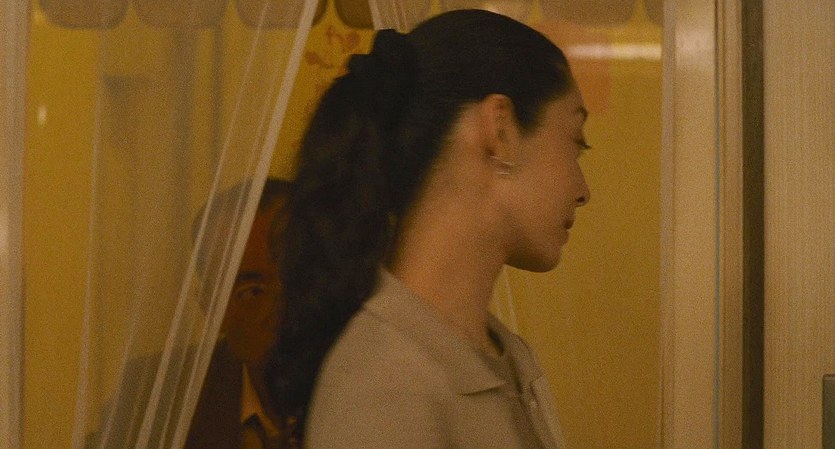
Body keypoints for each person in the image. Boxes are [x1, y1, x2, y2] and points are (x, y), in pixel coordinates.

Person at [267, 9, 590, 449]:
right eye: (576, 142)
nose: (582, 190)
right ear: (500, 129)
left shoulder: (505, 357)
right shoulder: (384, 383)